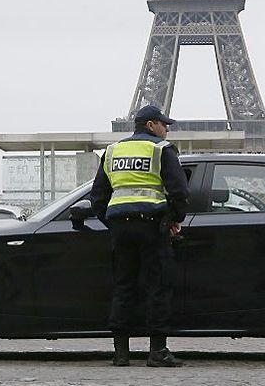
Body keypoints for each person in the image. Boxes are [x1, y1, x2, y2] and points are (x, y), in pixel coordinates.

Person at [86, 105, 189, 367]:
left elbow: (98, 197)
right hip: (152, 225)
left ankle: (121, 354)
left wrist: (112, 222)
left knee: (123, 287)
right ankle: (157, 351)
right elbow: (179, 191)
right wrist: (174, 219)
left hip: (121, 228)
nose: (167, 129)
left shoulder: (112, 151)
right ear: (151, 125)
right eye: (164, 124)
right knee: (158, 286)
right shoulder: (160, 150)